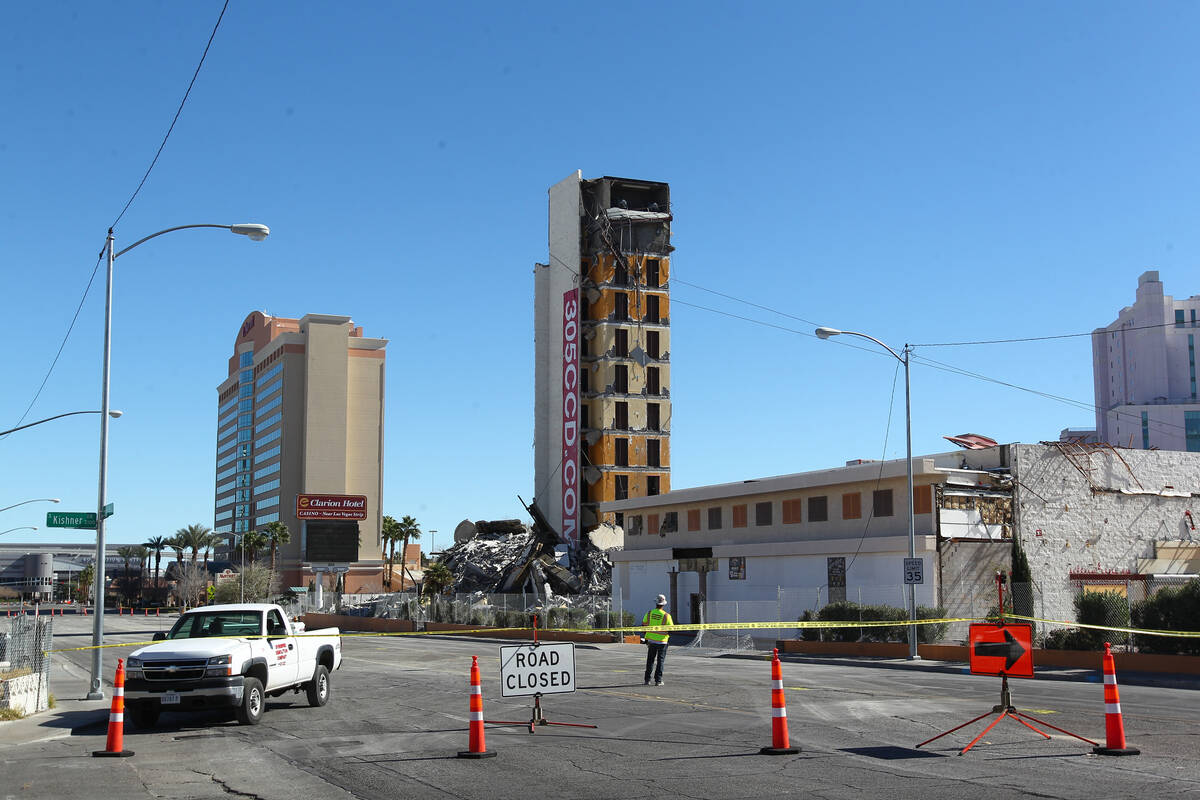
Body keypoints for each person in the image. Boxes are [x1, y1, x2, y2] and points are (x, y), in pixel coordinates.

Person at [642, 594, 674, 686]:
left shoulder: (649, 613)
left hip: (651, 641)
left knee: (650, 660)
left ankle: (647, 680)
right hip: (662, 642)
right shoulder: (666, 616)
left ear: (656, 603)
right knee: (660, 661)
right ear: (663, 604)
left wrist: (647, 637)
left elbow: (644, 625)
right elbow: (671, 629)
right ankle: (658, 681)